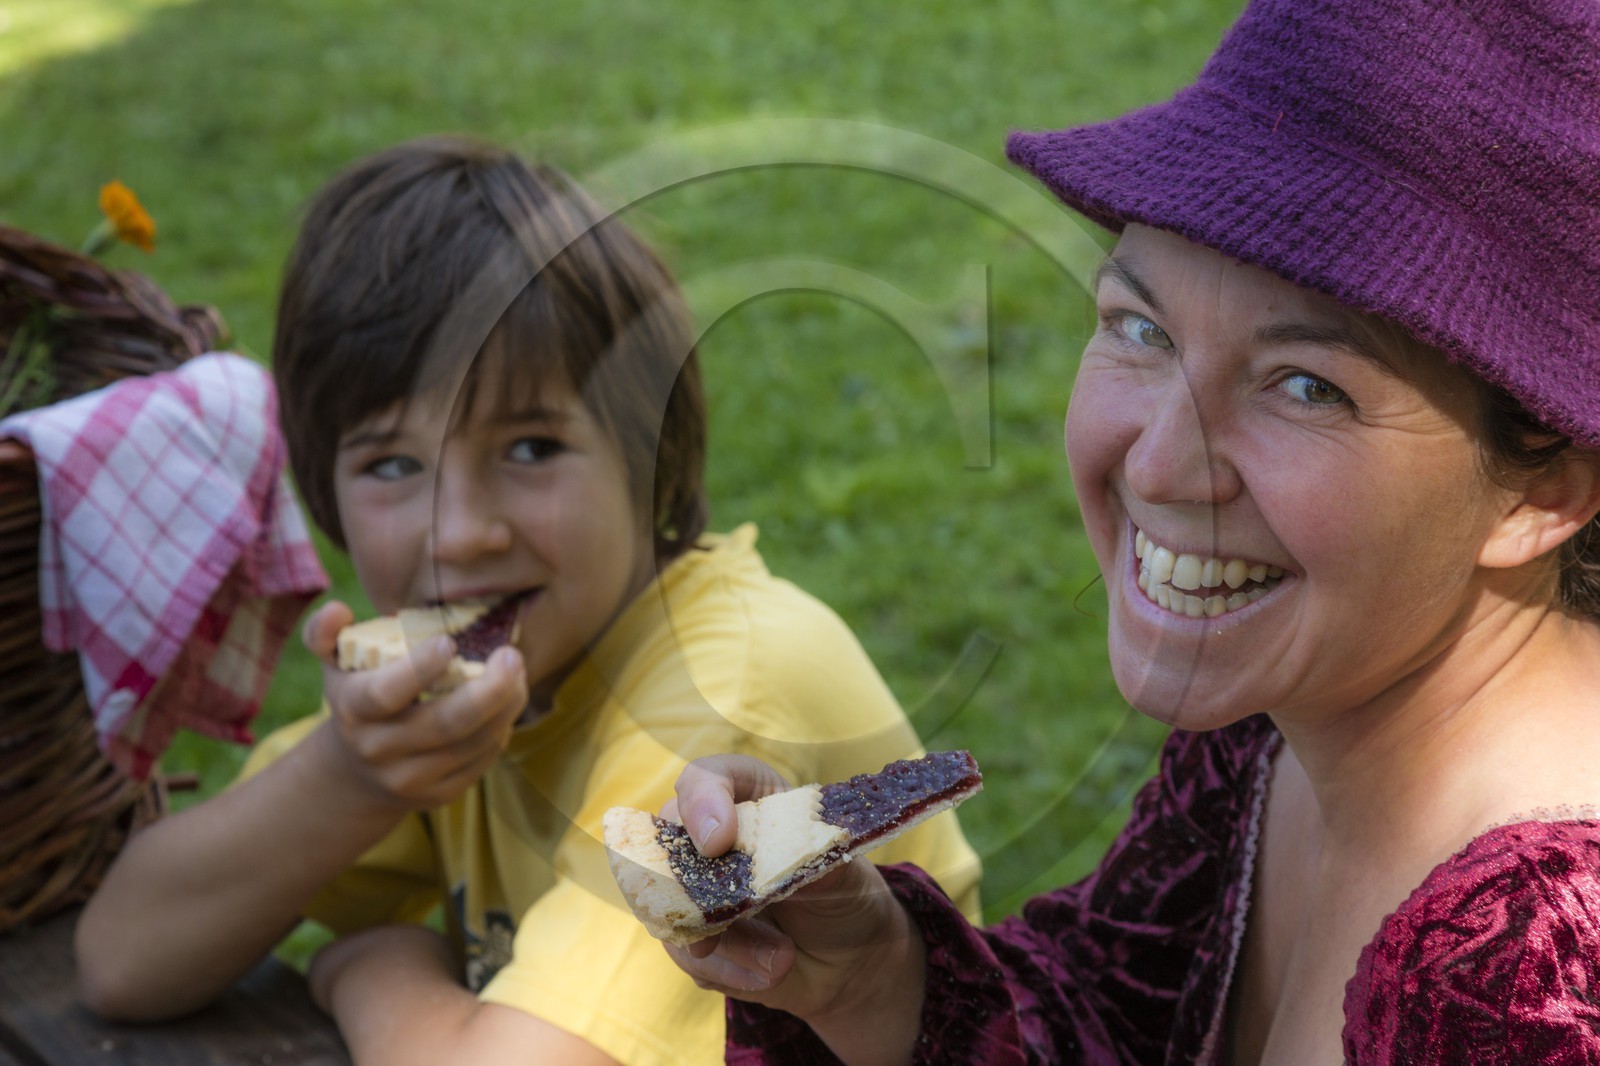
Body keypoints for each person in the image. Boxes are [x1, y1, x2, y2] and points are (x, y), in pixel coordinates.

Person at [659, 0, 1600, 1062]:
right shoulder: (1272, 734)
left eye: (1306, 385)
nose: (1156, 464)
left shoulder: (1537, 984)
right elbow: (1123, 1018)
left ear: (1541, 494)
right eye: (1141, 329)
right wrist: (874, 974)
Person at [72, 135, 981, 1066]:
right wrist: (353, 775)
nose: (461, 532)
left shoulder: (724, 701)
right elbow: (121, 959)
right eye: (393, 464)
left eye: (531, 449)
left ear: (649, 455)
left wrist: (369, 969)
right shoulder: (469, 692)